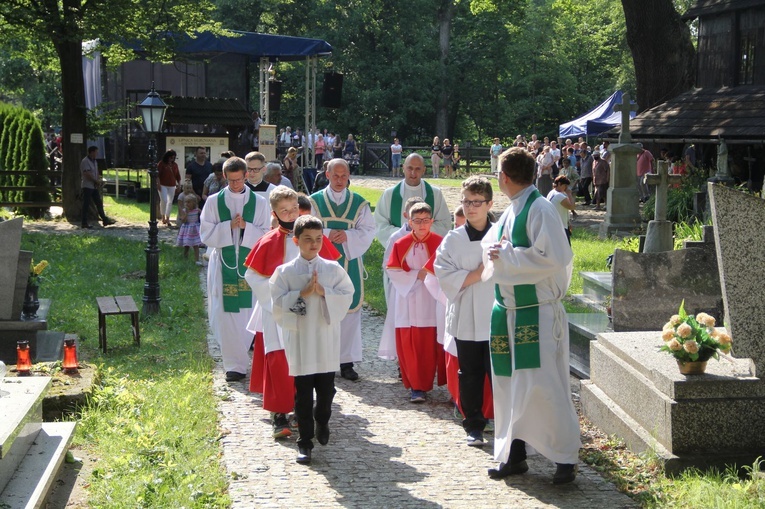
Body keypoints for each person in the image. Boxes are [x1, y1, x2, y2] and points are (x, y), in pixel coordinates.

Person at [482, 147, 580, 484]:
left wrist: (506, 255)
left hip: (535, 314)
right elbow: (493, 247)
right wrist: (494, 251)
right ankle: (515, 454)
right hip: (507, 313)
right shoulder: (512, 210)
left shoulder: (541, 209)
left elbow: (555, 258)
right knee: (510, 387)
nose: (497, 178)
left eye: (498, 173)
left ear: (504, 177)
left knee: (545, 386)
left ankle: (565, 458)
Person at [244, 187, 340, 439]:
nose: (290, 214)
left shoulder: (313, 236)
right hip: (279, 312)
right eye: (284, 210)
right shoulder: (268, 241)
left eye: (294, 208)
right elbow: (252, 276)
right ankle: (279, 414)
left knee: (307, 357)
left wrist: (322, 291)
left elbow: (333, 270)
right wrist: (281, 299)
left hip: (312, 311)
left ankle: (302, 410)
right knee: (280, 360)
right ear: (274, 213)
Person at [270, 215, 355, 465]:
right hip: (300, 341)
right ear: (296, 241)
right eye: (308, 239)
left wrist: (325, 292)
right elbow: (277, 307)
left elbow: (346, 295)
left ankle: (323, 420)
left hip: (325, 340)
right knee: (303, 396)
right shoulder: (284, 273)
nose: (314, 244)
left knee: (326, 393)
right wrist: (302, 294)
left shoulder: (332, 269)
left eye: (318, 239)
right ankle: (304, 443)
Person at [434, 176, 496, 447]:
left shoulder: (501, 234)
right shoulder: (453, 239)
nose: (471, 208)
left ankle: (506, 422)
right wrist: (478, 274)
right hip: (467, 314)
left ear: (489, 203)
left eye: (477, 202)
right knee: (469, 373)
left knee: (499, 373)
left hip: (497, 315)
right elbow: (443, 273)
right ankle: (473, 424)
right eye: (466, 202)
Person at [200, 157, 271, 383]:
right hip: (224, 265)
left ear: (246, 176)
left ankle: (246, 356)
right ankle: (234, 365)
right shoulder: (213, 202)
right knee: (226, 314)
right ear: (224, 176)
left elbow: (267, 233)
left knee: (249, 312)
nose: (235, 184)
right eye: (231, 180)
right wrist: (227, 226)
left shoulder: (259, 203)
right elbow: (205, 234)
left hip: (250, 267)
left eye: (239, 179)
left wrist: (245, 228)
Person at [309, 158, 375, 381]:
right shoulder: (314, 202)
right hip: (320, 264)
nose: (339, 180)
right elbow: (306, 229)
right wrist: (327, 235)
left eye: (343, 176)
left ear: (349, 176)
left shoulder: (360, 204)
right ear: (326, 175)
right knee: (320, 309)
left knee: (349, 311)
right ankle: (321, 359)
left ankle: (346, 361)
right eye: (335, 175)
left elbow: (368, 231)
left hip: (349, 263)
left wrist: (347, 235)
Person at [385, 202, 443, 402]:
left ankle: (425, 383)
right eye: (417, 221)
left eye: (426, 221)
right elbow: (392, 270)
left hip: (430, 298)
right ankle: (414, 386)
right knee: (408, 342)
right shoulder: (400, 244)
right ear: (409, 221)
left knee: (427, 343)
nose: (421, 225)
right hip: (407, 298)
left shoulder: (439, 242)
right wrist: (417, 276)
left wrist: (427, 278)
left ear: (432, 221)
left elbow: (444, 269)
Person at [378, 196, 425, 361]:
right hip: (402, 290)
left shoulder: (428, 236)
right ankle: (401, 359)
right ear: (406, 215)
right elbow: (387, 265)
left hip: (425, 290)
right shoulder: (396, 238)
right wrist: (411, 275)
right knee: (401, 323)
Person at [374, 153, 451, 249]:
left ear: (424, 170)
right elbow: (379, 224)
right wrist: (404, 235)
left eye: (418, 169)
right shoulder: (389, 194)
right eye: (410, 168)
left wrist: (420, 232)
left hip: (427, 252)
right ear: (403, 168)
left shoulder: (435, 194)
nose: (413, 173)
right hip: (399, 250)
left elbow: (444, 223)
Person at [80, 146, 115, 229]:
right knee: (86, 204)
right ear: (91, 152)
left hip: (94, 186)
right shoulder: (85, 161)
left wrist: (99, 179)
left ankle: (105, 219)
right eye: (96, 152)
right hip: (87, 186)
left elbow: (96, 172)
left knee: (98, 203)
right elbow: (87, 173)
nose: (97, 153)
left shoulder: (94, 161)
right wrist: (95, 180)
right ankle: (84, 222)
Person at [547, 175, 576, 244]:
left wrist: (568, 222)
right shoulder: (559, 196)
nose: (566, 188)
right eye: (565, 185)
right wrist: (569, 194)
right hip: (561, 227)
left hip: (553, 225)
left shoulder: (551, 193)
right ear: (559, 184)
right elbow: (572, 207)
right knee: (566, 251)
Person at [176, 194, 202, 264]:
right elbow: (183, 221)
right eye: (185, 202)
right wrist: (186, 213)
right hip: (187, 230)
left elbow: (203, 214)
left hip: (195, 229)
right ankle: (185, 259)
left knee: (196, 245)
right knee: (186, 245)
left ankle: (197, 259)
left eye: (189, 202)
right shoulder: (184, 211)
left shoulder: (197, 210)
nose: (186, 204)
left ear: (194, 203)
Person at [157, 149, 181, 226]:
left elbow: (178, 176)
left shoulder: (175, 165)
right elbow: (157, 175)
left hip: (172, 185)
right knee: (164, 200)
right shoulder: (161, 164)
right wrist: (158, 184)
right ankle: (163, 216)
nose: (172, 159)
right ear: (167, 157)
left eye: (173, 158)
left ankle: (167, 218)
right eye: (170, 157)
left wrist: (179, 184)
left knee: (170, 202)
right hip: (163, 184)